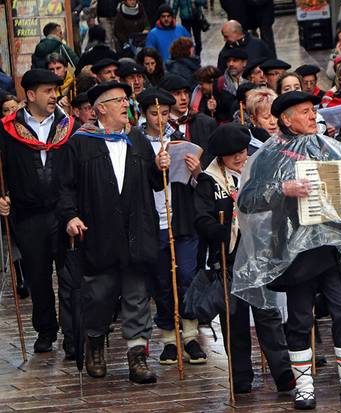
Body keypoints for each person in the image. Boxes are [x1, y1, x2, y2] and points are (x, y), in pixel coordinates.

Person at [238, 91, 341, 409]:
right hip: (296, 252)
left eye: (312, 111)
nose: (312, 117)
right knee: (299, 320)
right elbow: (247, 199)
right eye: (305, 112)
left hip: (336, 247)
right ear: (286, 119)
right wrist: (282, 189)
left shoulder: (326, 146)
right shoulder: (269, 155)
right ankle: (304, 387)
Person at [57, 80, 170, 383]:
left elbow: (156, 184)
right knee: (99, 295)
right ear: (101, 109)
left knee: (137, 296)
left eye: (126, 100)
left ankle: (137, 357)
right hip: (98, 233)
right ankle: (95, 344)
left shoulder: (139, 141)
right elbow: (65, 187)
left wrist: (161, 166)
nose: (126, 105)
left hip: (136, 232)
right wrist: (70, 216)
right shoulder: (79, 143)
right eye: (119, 100)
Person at [193, 122, 294, 394]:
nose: (240, 158)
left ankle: (284, 373)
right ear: (220, 157)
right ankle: (240, 376)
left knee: (268, 316)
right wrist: (222, 230)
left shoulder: (255, 174)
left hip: (257, 258)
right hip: (227, 261)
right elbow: (201, 219)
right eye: (233, 154)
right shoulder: (208, 181)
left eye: (243, 151)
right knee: (234, 321)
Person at [0, 70, 76, 357]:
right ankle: (46, 329)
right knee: (38, 276)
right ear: (30, 95)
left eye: (55, 90)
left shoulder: (67, 125)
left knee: (69, 275)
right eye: (47, 91)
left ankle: (72, 333)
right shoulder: (8, 129)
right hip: (28, 213)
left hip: (62, 211)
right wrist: (2, 197)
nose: (54, 96)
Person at [136, 87, 207, 366]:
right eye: (154, 114)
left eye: (165, 113)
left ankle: (190, 335)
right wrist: (154, 166)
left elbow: (195, 184)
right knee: (162, 281)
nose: (160, 119)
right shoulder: (136, 143)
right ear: (144, 114)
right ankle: (168, 337)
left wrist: (195, 171)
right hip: (154, 221)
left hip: (182, 220)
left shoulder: (178, 140)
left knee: (187, 275)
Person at [160, 75, 216, 165]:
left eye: (186, 92)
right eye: (177, 93)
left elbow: (212, 158)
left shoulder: (206, 123)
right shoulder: (160, 124)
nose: (184, 98)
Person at [214, 48, 248, 123]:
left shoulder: (252, 81)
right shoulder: (219, 83)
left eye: (235, 60)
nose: (231, 64)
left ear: (244, 63)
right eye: (229, 61)